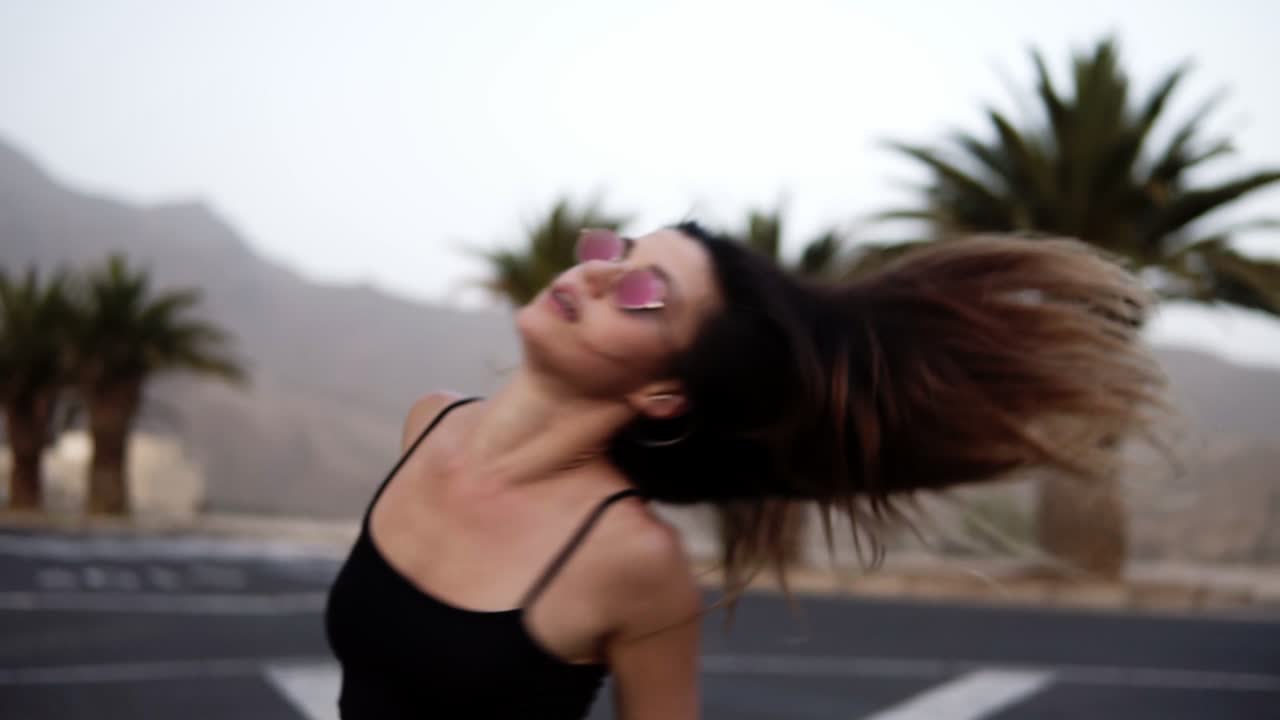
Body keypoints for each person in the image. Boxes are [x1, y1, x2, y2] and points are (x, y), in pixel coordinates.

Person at [324, 221, 1165, 719]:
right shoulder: (428, 424)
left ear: (662, 392)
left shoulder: (631, 562)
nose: (602, 270)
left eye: (646, 294)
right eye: (616, 244)